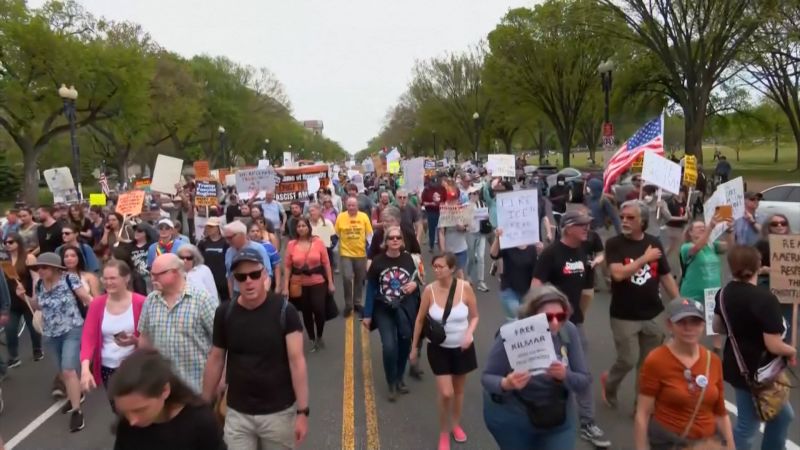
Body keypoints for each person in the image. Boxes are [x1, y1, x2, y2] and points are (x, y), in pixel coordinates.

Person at [202, 248, 309, 450]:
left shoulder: (285, 311)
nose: (248, 281)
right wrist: (204, 404)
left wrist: (303, 412)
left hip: (278, 413)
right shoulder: (225, 313)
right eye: (241, 277)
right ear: (235, 280)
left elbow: (297, 362)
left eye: (254, 275)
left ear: (265, 275)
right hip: (237, 413)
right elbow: (216, 358)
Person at [531, 210, 610, 447]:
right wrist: (541, 319)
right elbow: (535, 287)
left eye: (588, 224)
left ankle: (587, 423)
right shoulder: (551, 253)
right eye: (582, 225)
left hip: (574, 323)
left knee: (582, 374)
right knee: (545, 372)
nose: (587, 228)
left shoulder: (583, 250)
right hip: (551, 324)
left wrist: (579, 314)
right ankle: (541, 419)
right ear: (567, 228)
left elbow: (585, 288)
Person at [481, 285, 591, 450]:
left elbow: (584, 380)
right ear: (532, 315)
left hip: (557, 415)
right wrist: (506, 383)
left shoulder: (568, 331)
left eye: (561, 316)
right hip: (514, 418)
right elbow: (487, 377)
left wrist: (565, 375)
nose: (555, 323)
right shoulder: (511, 334)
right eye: (547, 317)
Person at [713, 245, 796, 450]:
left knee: (783, 416)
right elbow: (773, 345)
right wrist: (791, 351)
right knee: (747, 426)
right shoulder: (765, 299)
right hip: (759, 370)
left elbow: (717, 327)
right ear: (758, 265)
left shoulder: (723, 294)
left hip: (737, 364)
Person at [601, 200, 680, 409]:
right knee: (628, 359)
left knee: (647, 365)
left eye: (630, 217)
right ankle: (610, 384)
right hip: (624, 315)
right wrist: (644, 259)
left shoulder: (654, 243)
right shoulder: (614, 244)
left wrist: (679, 302)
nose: (624, 221)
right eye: (622, 217)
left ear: (643, 221)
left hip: (653, 313)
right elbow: (618, 274)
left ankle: (641, 407)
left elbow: (665, 276)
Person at [635, 298, 734, 450]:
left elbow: (720, 413)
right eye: (681, 322)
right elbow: (643, 413)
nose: (689, 328)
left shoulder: (713, 361)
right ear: (670, 325)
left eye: (695, 322)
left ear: (703, 325)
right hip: (672, 443)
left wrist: (730, 446)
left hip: (708, 444)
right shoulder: (656, 360)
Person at [410, 253, 479, 450]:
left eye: (441, 266)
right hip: (438, 349)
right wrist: (414, 348)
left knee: (459, 391)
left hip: (463, 348)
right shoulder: (429, 291)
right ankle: (443, 431)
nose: (437, 270)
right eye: (435, 266)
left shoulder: (465, 288)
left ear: (452, 268)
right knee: (446, 393)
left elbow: (475, 316)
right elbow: (420, 320)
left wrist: (469, 334)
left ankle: (455, 424)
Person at [20, 252, 93, 432]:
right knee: (63, 371)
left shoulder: (69, 279)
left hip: (72, 329)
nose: (40, 271)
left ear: (54, 268)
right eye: (38, 268)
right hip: (50, 334)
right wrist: (23, 297)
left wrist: (98, 320)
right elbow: (37, 305)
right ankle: (76, 395)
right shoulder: (39, 284)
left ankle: (77, 411)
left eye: (44, 267)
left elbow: (87, 299)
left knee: (68, 369)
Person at [110, 348, 226, 450]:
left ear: (164, 390)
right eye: (125, 412)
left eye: (140, 410)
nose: (132, 421)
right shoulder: (126, 425)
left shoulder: (200, 422)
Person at [137, 254, 217, 394]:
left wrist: (218, 383)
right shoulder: (150, 301)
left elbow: (220, 345)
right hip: (164, 389)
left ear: (174, 272)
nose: (153, 279)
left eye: (157, 275)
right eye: (151, 274)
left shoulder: (202, 300)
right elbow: (145, 341)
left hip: (197, 388)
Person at [362, 226, 421, 400]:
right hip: (384, 308)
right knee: (389, 346)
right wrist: (367, 314)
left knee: (404, 344)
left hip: (405, 308)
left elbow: (417, 278)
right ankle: (391, 383)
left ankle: (399, 378)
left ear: (402, 241)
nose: (395, 240)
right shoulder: (378, 261)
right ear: (385, 241)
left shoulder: (409, 259)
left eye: (398, 238)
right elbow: (371, 288)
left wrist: (415, 284)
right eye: (391, 238)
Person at [80, 260, 146, 393]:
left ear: (126, 278)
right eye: (105, 279)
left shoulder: (141, 302)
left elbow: (152, 338)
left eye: (113, 278)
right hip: (108, 367)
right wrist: (85, 369)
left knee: (137, 403)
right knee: (116, 404)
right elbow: (88, 338)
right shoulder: (97, 304)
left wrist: (136, 341)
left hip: (135, 365)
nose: (108, 282)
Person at [679, 217, 733, 352]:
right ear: (690, 232)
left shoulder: (712, 246)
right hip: (692, 293)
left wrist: (730, 231)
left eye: (704, 227)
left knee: (714, 325)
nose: (702, 229)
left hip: (712, 292)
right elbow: (697, 247)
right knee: (690, 324)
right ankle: (686, 350)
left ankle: (716, 352)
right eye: (699, 228)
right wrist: (710, 228)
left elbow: (729, 247)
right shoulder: (686, 247)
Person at [282, 218, 334, 351]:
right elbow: (287, 266)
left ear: (308, 228)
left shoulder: (318, 242)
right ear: (296, 229)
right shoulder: (291, 244)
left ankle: (319, 335)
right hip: (299, 283)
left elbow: (326, 263)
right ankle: (311, 338)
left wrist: (330, 283)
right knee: (306, 312)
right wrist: (285, 287)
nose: (301, 228)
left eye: (303, 226)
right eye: (299, 226)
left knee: (319, 309)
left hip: (318, 281)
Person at [3, 233, 42, 367]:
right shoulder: (5, 260)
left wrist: (35, 297)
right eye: (5, 243)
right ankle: (13, 357)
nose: (8, 245)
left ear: (18, 242)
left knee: (33, 327)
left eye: (11, 242)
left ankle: (37, 349)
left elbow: (36, 278)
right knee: (10, 329)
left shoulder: (28, 258)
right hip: (12, 300)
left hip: (27, 298)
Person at [755, 213, 796, 339]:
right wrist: (765, 270)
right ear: (768, 227)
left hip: (789, 288)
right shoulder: (761, 245)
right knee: (771, 321)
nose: (779, 226)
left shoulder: (795, 243)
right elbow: (752, 268)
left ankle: (787, 346)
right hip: (767, 287)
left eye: (783, 223)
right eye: (775, 224)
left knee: (788, 322)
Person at [489, 228, 540, 321]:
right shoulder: (508, 246)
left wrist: (540, 253)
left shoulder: (532, 249)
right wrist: (497, 238)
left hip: (527, 292)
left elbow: (536, 271)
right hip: (509, 290)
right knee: (516, 319)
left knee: (526, 321)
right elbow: (493, 255)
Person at [335, 196, 373, 317]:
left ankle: (357, 302)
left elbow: (369, 234)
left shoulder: (363, 217)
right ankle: (348, 305)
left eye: (353, 205)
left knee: (359, 279)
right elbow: (336, 234)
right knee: (347, 278)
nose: (351, 207)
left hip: (361, 253)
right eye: (349, 205)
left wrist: (370, 250)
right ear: (346, 206)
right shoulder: (341, 217)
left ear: (358, 206)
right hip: (346, 253)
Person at [223, 221, 271, 300]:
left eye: (230, 237)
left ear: (242, 235)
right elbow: (229, 276)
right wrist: (232, 297)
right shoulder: (229, 252)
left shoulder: (258, 249)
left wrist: (263, 295)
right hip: (238, 293)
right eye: (226, 238)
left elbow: (268, 274)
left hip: (257, 292)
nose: (228, 241)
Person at [438, 188, 469, 279]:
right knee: (448, 274)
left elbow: (467, 228)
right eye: (450, 200)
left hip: (461, 248)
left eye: (454, 200)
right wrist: (443, 249)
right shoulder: (444, 214)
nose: (452, 202)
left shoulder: (463, 211)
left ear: (458, 200)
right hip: (449, 250)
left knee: (460, 272)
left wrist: (462, 226)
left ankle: (461, 288)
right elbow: (441, 232)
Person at [198, 217, 230, 303]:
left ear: (218, 228)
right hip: (208, 277)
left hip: (222, 278)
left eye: (211, 226)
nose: (209, 228)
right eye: (207, 226)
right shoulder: (203, 243)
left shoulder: (226, 243)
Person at [465, 188, 489, 292]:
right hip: (470, 233)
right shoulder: (466, 205)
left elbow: (486, 216)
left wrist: (486, 217)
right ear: (469, 195)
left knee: (481, 256)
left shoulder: (482, 204)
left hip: (481, 233)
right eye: (473, 193)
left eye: (477, 193)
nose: (475, 195)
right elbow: (463, 220)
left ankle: (481, 281)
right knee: (471, 257)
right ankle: (468, 275)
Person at [248, 222, 282, 291]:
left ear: (261, 233)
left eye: (257, 231)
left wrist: (278, 286)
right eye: (252, 231)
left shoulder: (269, 247)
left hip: (266, 283)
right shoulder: (244, 247)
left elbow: (277, 267)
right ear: (247, 234)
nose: (255, 233)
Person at [421, 177, 446, 250]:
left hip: (441, 212)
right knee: (431, 229)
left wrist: (442, 204)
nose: (435, 184)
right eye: (433, 182)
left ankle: (441, 246)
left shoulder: (442, 188)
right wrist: (431, 203)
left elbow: (445, 200)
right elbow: (423, 202)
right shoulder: (426, 189)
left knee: (441, 229)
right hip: (431, 212)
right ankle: (431, 245)